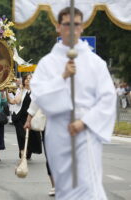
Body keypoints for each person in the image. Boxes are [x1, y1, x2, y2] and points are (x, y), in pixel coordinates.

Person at [30, 7, 116, 200]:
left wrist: (84, 122)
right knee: (64, 188)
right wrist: (63, 77)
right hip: (59, 133)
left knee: (86, 185)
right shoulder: (47, 63)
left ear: (82, 27)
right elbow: (40, 95)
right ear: (58, 27)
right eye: (66, 24)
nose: (71, 29)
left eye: (76, 24)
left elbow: (107, 98)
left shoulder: (95, 63)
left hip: (85, 132)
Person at [7, 74, 42, 160]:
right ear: (23, 81)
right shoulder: (20, 90)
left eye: (30, 78)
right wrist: (22, 89)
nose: (28, 80)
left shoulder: (36, 91)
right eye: (26, 78)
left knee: (32, 136)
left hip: (31, 117)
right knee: (21, 135)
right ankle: (22, 152)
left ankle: (28, 151)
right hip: (20, 116)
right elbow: (16, 101)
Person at [24, 102, 55, 196]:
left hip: (67, 124)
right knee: (50, 156)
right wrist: (28, 120)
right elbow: (35, 101)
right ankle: (54, 186)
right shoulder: (44, 87)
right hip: (48, 125)